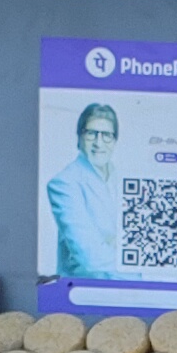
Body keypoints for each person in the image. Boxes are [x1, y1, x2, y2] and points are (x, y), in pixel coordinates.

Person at [44, 99, 125, 280]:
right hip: (83, 294)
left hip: (124, 291)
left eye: (106, 135)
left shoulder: (121, 179)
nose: (99, 142)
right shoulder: (64, 184)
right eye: (91, 133)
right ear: (79, 137)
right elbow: (92, 259)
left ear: (114, 140)